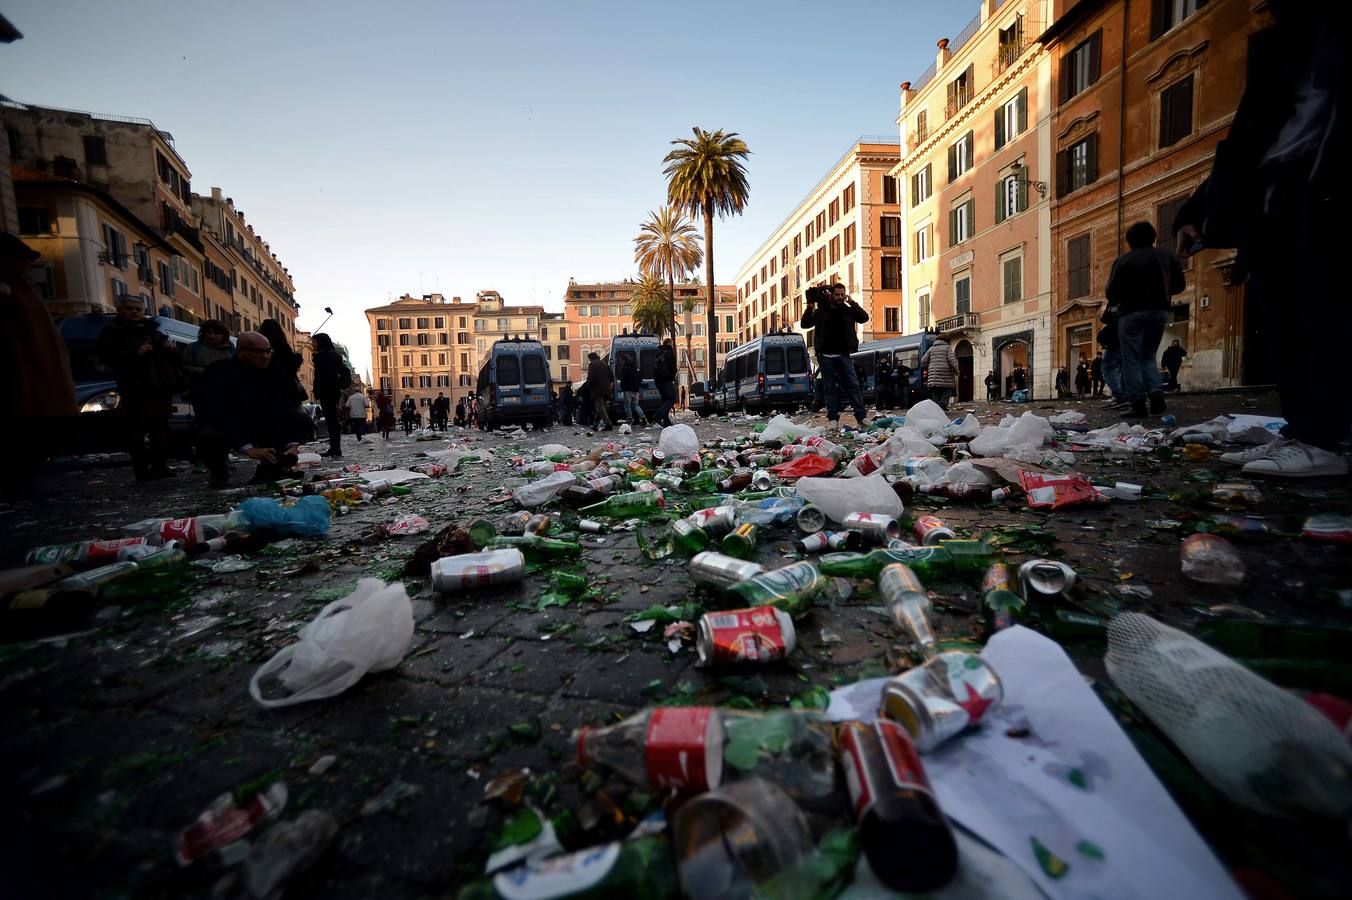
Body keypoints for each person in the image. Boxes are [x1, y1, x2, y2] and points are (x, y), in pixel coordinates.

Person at [1173, 4, 1346, 476]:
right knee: (1287, 319)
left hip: (1325, 191)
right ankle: (1305, 431)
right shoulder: (1283, 45)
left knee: (1323, 314)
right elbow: (1248, 139)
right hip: (1278, 196)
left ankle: (1325, 438)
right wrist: (1198, 208)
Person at [0, 233, 76, 498]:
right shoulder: (10, 291)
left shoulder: (27, 289)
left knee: (36, 428)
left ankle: (26, 477)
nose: (27, 266)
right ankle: (16, 480)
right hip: (19, 372)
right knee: (20, 428)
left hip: (39, 370)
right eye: (21, 260)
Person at [196, 331, 303, 488]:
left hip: (261, 424)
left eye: (268, 351)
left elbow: (284, 408)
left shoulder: (275, 372)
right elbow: (220, 413)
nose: (265, 356)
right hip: (230, 426)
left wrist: (292, 443)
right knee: (208, 434)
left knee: (300, 419)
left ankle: (271, 466)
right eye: (259, 352)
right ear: (241, 352)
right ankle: (219, 472)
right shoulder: (219, 372)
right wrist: (247, 447)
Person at [97, 295, 183, 482]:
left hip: (160, 387)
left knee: (160, 429)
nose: (135, 312)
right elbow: (106, 356)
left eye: (138, 309)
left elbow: (175, 358)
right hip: (136, 388)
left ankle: (160, 466)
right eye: (130, 308)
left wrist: (171, 349)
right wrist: (136, 353)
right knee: (137, 430)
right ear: (120, 310)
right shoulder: (113, 331)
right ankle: (142, 470)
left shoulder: (152, 330)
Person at [1105, 221, 1185, 418]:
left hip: (1131, 312)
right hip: (1159, 311)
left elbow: (1111, 292)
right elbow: (1179, 285)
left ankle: (1138, 403)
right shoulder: (1167, 257)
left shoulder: (1124, 260)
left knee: (1131, 360)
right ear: (1153, 237)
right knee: (1148, 355)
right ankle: (1156, 394)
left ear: (1129, 241)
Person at [799, 283, 868, 428]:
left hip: (843, 353)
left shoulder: (848, 310)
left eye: (842, 295)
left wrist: (852, 302)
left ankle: (861, 417)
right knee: (830, 388)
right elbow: (805, 324)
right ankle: (833, 419)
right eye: (837, 294)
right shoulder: (822, 311)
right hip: (825, 355)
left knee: (853, 385)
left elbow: (864, 318)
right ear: (832, 295)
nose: (840, 297)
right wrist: (810, 306)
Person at [309, 333, 351, 458]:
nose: (313, 345)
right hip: (330, 391)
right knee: (331, 420)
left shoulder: (325, 357)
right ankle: (335, 447)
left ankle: (335, 448)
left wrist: (336, 384)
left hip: (328, 391)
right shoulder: (329, 356)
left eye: (315, 342)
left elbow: (324, 376)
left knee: (331, 420)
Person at [179, 319, 233, 407]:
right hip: (200, 393)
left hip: (225, 394)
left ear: (223, 335)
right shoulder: (193, 348)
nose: (212, 336)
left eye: (216, 333)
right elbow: (184, 367)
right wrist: (205, 371)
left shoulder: (231, 350)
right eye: (209, 332)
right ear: (203, 333)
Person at [921, 335, 959, 411]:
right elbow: (952, 361)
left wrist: (930, 365)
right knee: (947, 390)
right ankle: (942, 405)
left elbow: (923, 361)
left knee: (936, 391)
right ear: (946, 341)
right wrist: (956, 370)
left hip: (933, 375)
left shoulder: (931, 349)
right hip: (945, 374)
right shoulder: (947, 348)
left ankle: (937, 409)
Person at [585, 351, 615, 430]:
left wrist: (588, 385)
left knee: (600, 407)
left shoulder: (592, 365)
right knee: (600, 407)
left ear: (590, 359)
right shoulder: (605, 364)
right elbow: (612, 376)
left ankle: (608, 423)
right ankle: (595, 424)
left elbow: (591, 377)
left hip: (597, 389)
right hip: (606, 389)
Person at [654, 338, 679, 426]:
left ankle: (666, 421)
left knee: (665, 399)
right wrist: (673, 375)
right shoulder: (668, 352)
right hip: (666, 379)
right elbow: (672, 366)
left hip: (658, 380)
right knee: (672, 398)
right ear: (669, 343)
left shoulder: (659, 352)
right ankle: (659, 415)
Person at [618, 353, 647, 426]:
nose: (621, 362)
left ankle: (630, 420)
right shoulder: (635, 368)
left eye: (621, 361)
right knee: (636, 404)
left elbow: (623, 380)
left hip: (627, 390)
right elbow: (640, 378)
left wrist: (622, 388)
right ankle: (643, 416)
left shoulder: (624, 369)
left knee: (627, 406)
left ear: (624, 360)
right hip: (636, 389)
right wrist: (637, 385)